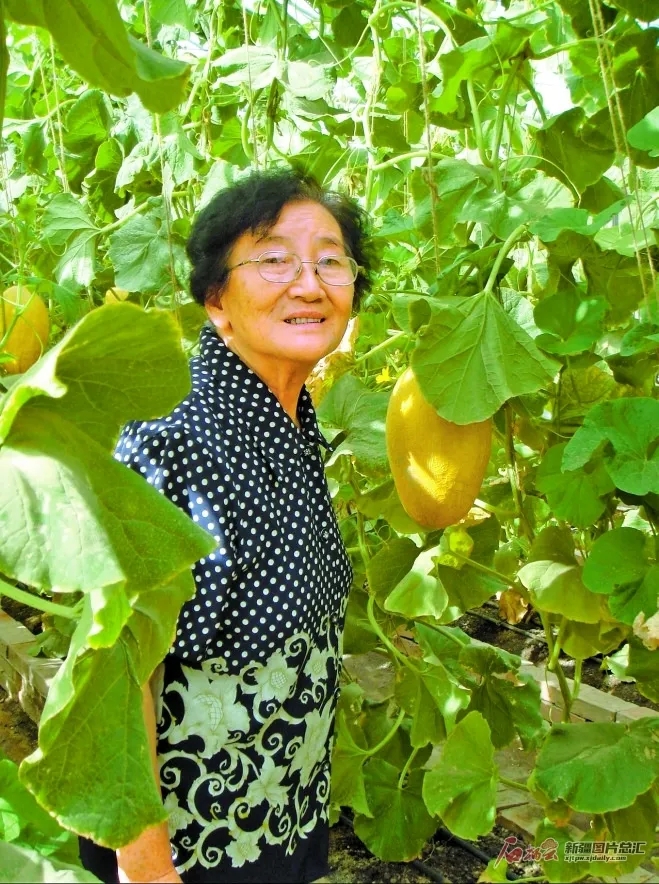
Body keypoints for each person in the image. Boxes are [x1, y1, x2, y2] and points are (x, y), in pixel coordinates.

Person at [79, 168, 376, 884]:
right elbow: (118, 670)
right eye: (274, 260)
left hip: (277, 814)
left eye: (330, 262)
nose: (309, 285)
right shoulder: (174, 437)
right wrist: (146, 867)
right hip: (188, 846)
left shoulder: (289, 414)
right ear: (217, 299)